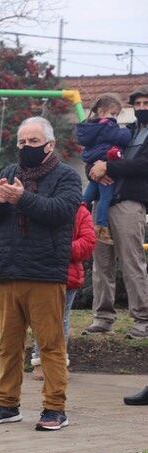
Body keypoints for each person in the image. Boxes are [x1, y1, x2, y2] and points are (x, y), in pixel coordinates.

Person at [0, 116, 81, 431]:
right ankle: (6, 403)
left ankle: (54, 408)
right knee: (8, 344)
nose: (26, 147)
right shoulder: (9, 173)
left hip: (45, 273)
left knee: (50, 344)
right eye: (22, 141)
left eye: (33, 142)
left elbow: (60, 212)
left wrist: (23, 198)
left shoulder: (67, 177)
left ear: (49, 145)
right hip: (9, 271)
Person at [85, 85, 148, 339]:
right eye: (139, 104)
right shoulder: (124, 131)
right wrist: (95, 167)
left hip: (130, 205)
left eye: (147, 104)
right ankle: (102, 317)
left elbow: (144, 165)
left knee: (132, 263)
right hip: (103, 202)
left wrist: (109, 166)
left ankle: (143, 321)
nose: (142, 108)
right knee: (101, 264)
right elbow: (96, 152)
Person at [29, 202, 95, 381]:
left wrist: (61, 248)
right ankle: (40, 361)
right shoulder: (44, 208)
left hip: (68, 276)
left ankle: (56, 362)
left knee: (61, 319)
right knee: (43, 318)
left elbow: (88, 242)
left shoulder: (80, 212)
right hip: (41, 272)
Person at [76, 93, 131, 246]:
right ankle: (101, 227)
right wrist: (128, 131)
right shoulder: (107, 126)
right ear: (101, 112)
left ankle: (77, 213)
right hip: (105, 164)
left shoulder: (91, 128)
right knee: (105, 197)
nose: (115, 118)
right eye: (113, 114)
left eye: (116, 115)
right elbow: (122, 137)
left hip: (94, 163)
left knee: (89, 193)